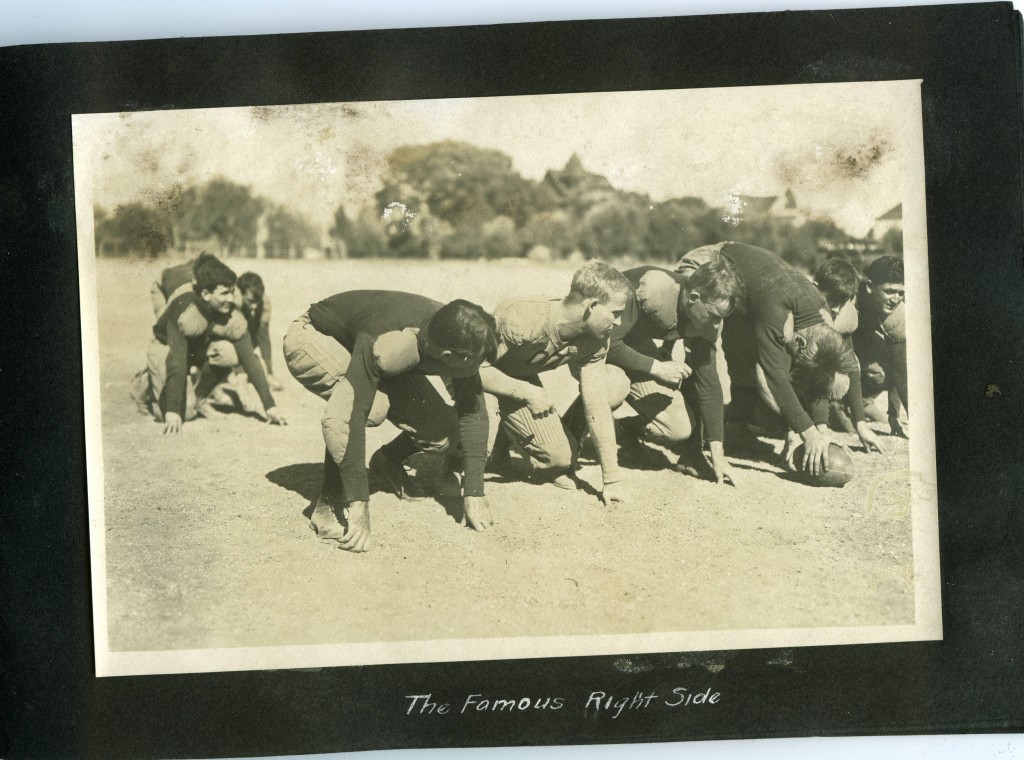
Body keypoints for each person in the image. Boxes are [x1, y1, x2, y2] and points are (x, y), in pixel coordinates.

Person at [283, 290, 497, 552]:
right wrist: (358, 503)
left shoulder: (456, 330)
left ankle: (387, 462)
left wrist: (474, 492)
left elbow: (473, 411)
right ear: (449, 357)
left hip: (371, 349)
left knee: (443, 432)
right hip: (317, 336)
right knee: (370, 406)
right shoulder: (386, 337)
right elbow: (347, 416)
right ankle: (329, 501)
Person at [676, 242, 850, 476]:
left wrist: (821, 428)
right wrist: (807, 433)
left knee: (745, 352)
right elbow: (773, 377)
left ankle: (735, 429)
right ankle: (691, 450)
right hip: (712, 264)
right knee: (702, 349)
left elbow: (817, 375)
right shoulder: (777, 313)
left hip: (750, 285)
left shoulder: (820, 314)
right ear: (798, 342)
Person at [479, 261, 632, 506]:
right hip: (473, 371)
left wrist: (611, 478)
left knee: (561, 456)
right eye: (615, 313)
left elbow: (596, 403)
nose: (619, 322)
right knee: (478, 438)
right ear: (591, 305)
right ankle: (449, 465)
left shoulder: (597, 339)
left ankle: (503, 441)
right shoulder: (524, 317)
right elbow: (475, 369)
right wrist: (527, 393)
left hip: (515, 379)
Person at [596, 258, 744, 485]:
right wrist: (656, 367)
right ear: (693, 299)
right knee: (614, 386)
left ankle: (622, 429)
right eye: (714, 316)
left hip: (630, 341)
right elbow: (608, 344)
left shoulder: (702, 315)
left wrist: (718, 456)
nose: (716, 325)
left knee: (678, 427)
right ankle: (573, 433)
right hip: (594, 342)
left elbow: (708, 382)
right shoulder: (654, 290)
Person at [131, 252, 286, 433]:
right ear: (205, 294)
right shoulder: (185, 309)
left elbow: (249, 357)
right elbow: (177, 358)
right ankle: (145, 384)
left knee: (229, 352)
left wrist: (270, 406)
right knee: (183, 413)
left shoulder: (231, 310)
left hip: (196, 345)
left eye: (232, 291)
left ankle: (200, 396)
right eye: (224, 293)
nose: (230, 298)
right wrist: (173, 409)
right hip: (166, 346)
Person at [813, 257, 887, 454]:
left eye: (842, 301)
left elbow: (851, 364)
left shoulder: (844, 314)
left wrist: (860, 424)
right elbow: (810, 374)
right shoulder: (806, 311)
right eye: (831, 300)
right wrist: (819, 428)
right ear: (815, 288)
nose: (836, 309)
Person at [853, 255, 908, 437]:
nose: (896, 299)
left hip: (861, 347)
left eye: (901, 292)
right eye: (890, 291)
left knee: (883, 370)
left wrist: (895, 416)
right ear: (869, 287)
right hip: (842, 348)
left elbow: (901, 370)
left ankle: (864, 402)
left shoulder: (897, 315)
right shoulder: (850, 298)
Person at [236, 271, 283, 391]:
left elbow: (264, 337)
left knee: (261, 329)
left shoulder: (264, 302)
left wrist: (269, 372)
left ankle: (265, 372)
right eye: (251, 301)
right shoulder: (231, 301)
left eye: (257, 301)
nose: (255, 306)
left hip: (247, 337)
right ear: (239, 293)